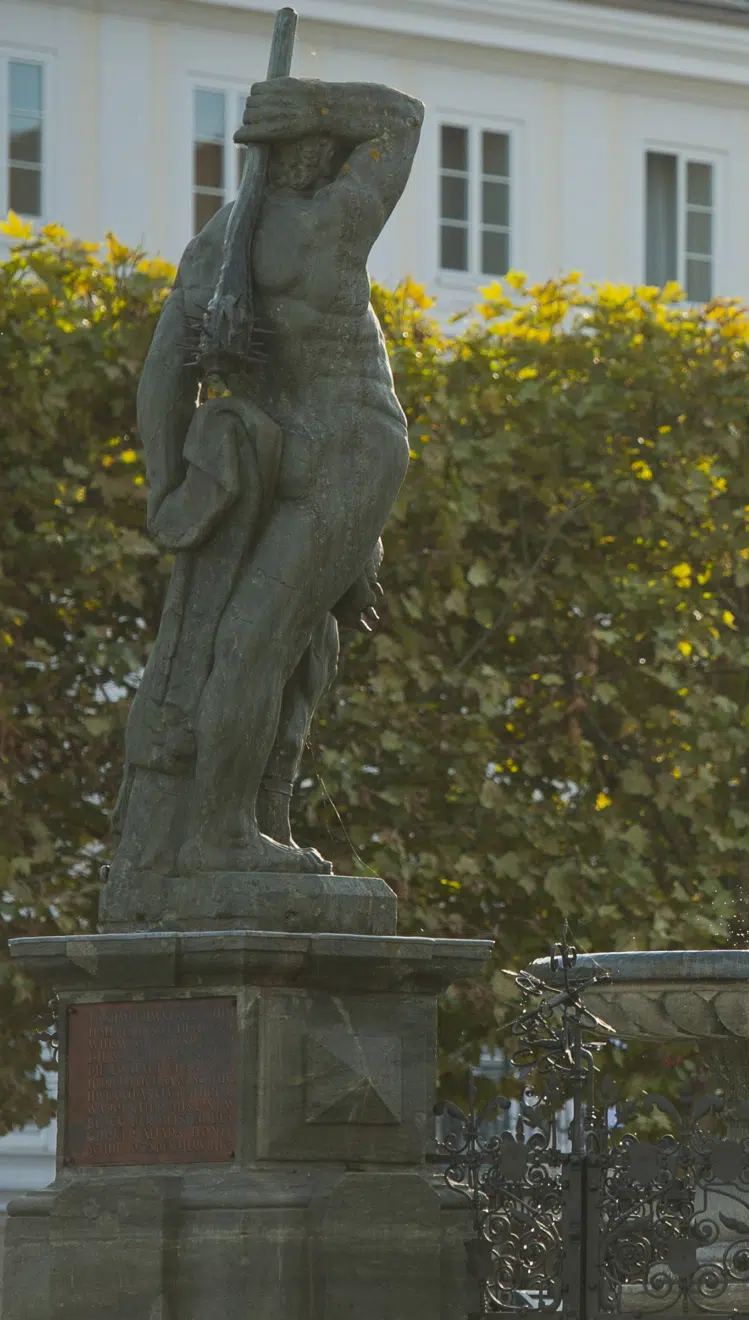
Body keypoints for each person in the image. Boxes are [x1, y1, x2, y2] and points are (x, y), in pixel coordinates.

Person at [111, 76, 421, 888]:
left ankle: (241, 829)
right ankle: (227, 835)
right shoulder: (339, 220)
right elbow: (400, 117)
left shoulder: (215, 248)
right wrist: (321, 103)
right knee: (271, 643)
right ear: (317, 154)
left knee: (261, 641)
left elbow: (160, 383)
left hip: (321, 460)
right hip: (343, 451)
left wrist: (169, 490)